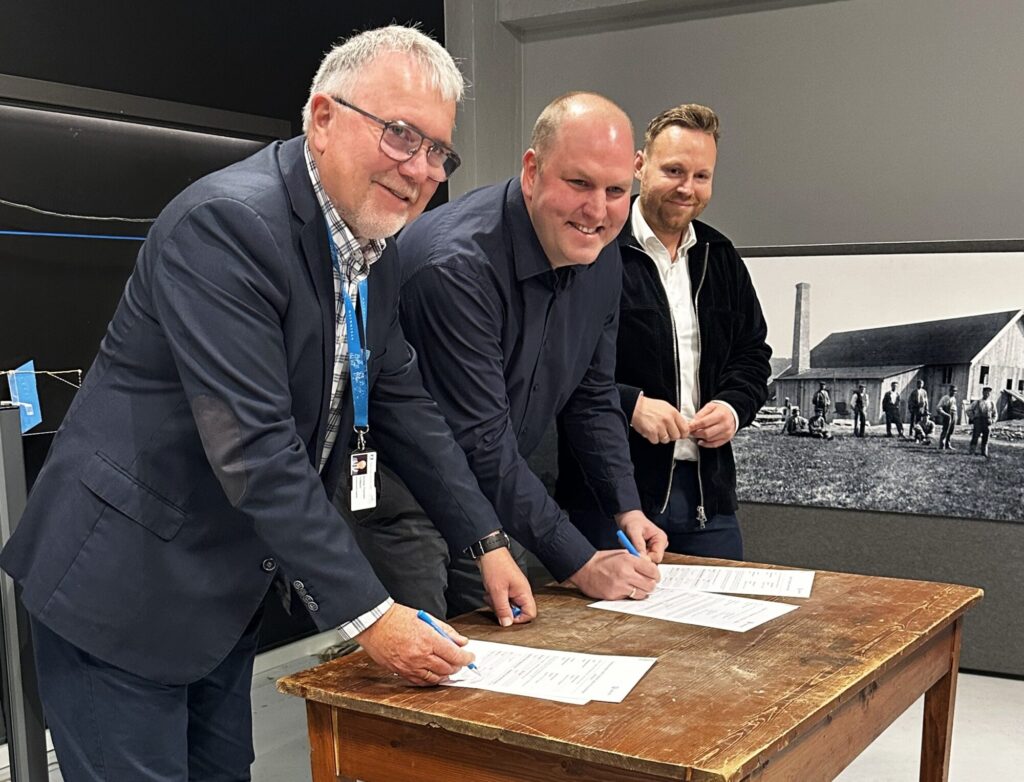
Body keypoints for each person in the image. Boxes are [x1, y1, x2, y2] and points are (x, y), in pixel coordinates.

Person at [0, 26, 536, 780]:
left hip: (220, 594)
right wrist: (371, 616)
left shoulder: (366, 243)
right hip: (120, 588)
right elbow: (254, 449)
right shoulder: (228, 225)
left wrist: (484, 539)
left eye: (437, 152)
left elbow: (406, 403)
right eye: (399, 135)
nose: (420, 169)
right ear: (323, 118)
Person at [344, 92, 666, 620]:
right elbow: (480, 436)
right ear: (534, 171)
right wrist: (580, 562)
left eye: (615, 191)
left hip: (493, 484)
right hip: (404, 496)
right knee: (414, 665)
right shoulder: (457, 266)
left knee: (505, 643)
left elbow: (592, 397)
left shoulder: (601, 256)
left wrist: (625, 507)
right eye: (579, 183)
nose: (597, 210)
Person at [556, 103, 771, 562]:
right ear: (639, 166)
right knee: (605, 633)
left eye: (701, 176)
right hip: (610, 502)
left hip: (707, 504)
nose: (686, 188)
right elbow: (555, 364)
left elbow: (753, 356)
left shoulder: (720, 256)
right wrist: (630, 404)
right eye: (673, 170)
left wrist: (733, 408)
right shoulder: (596, 248)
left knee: (725, 630)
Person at [969, 386, 998, 457]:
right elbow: (968, 410)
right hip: (978, 422)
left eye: (989, 392)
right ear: (983, 392)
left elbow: (995, 414)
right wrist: (973, 418)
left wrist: (993, 420)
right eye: (986, 392)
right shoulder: (977, 402)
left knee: (986, 438)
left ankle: (984, 452)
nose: (987, 394)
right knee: (975, 437)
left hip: (987, 422)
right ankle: (972, 451)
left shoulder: (991, 403)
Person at [937, 384, 959, 450]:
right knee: (945, 430)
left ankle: (948, 444)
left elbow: (954, 408)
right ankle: (941, 445)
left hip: (954, 414)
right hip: (947, 414)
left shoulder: (954, 399)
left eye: (955, 391)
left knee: (951, 430)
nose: (954, 392)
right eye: (952, 391)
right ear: (949, 391)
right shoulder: (945, 398)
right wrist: (945, 414)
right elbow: (939, 407)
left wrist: (955, 416)